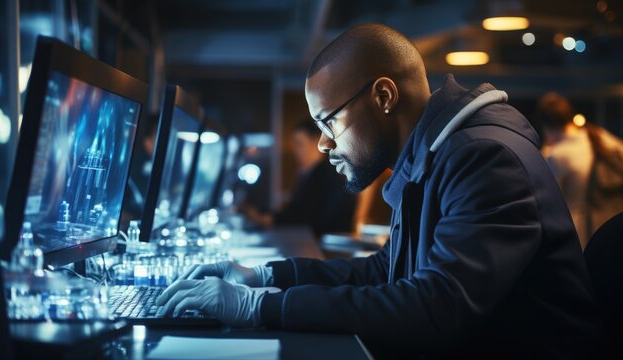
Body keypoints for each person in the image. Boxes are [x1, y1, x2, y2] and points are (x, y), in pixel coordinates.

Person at [155, 24, 602, 358]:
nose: (322, 144)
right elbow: (385, 272)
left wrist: (261, 308)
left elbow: (435, 308)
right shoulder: (432, 154)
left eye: (328, 122)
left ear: (384, 97)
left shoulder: (484, 158)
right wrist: (266, 278)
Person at [535, 92, 623, 249]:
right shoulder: (600, 136)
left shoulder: (557, 155)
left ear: (547, 126)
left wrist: (545, 151)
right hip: (613, 224)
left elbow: (545, 203)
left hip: (580, 234)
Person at [242, 120, 357, 238]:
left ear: (315, 142)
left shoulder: (327, 174)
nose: (295, 150)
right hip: (314, 238)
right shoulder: (309, 172)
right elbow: (297, 210)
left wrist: (266, 219)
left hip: (325, 243)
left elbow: (306, 216)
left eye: (299, 144)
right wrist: (263, 213)